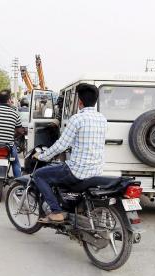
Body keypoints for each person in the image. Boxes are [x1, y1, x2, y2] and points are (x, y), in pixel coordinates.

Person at [32, 84, 107, 224]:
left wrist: (42, 156)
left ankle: (56, 212)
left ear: (80, 102)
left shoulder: (77, 119)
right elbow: (89, 141)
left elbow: (61, 145)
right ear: (95, 101)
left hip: (77, 171)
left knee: (39, 175)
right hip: (96, 170)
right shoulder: (102, 119)